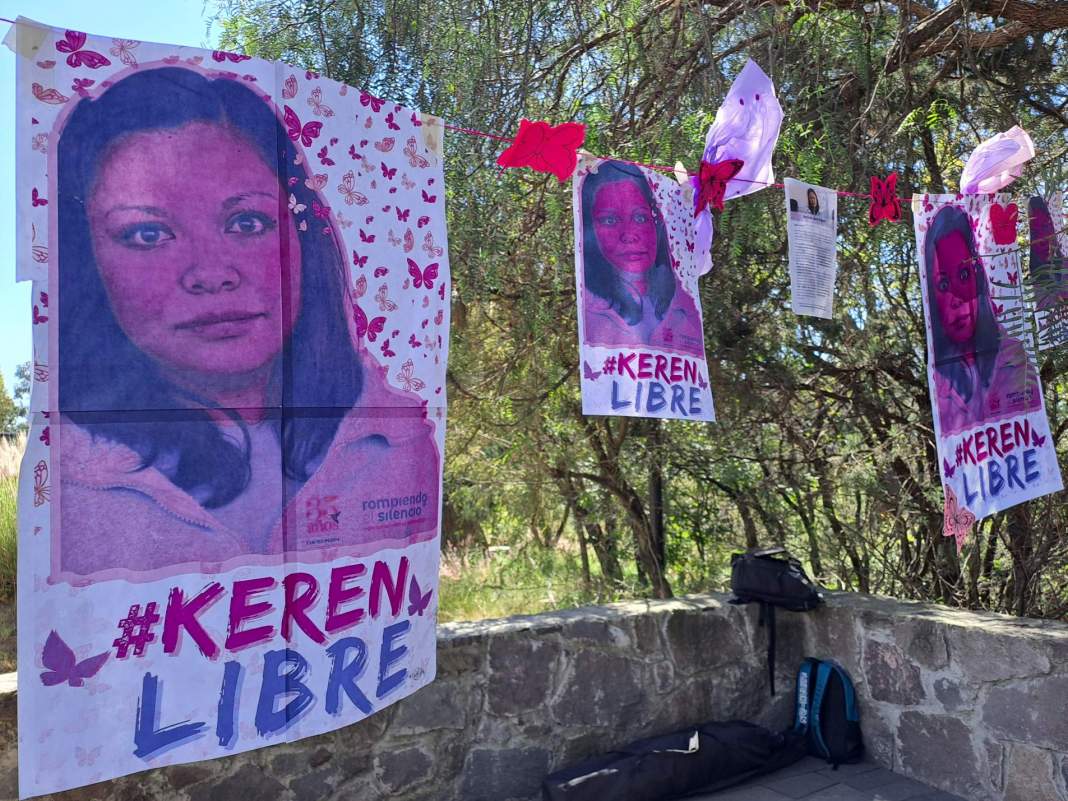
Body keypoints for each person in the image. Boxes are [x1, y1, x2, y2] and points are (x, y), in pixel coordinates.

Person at [55, 66, 439, 576]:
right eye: (148, 235)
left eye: (247, 222)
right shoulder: (63, 477)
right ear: (89, 260)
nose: (211, 273)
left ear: (304, 238)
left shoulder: (397, 435)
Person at [924, 205, 1041, 437]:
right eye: (944, 285)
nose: (956, 300)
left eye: (964, 275)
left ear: (979, 276)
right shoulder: (940, 382)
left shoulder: (1015, 360)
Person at [580, 161, 704, 355]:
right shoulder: (590, 312)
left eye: (640, 218)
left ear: (656, 222)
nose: (629, 235)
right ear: (590, 229)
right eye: (610, 220)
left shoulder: (685, 305)